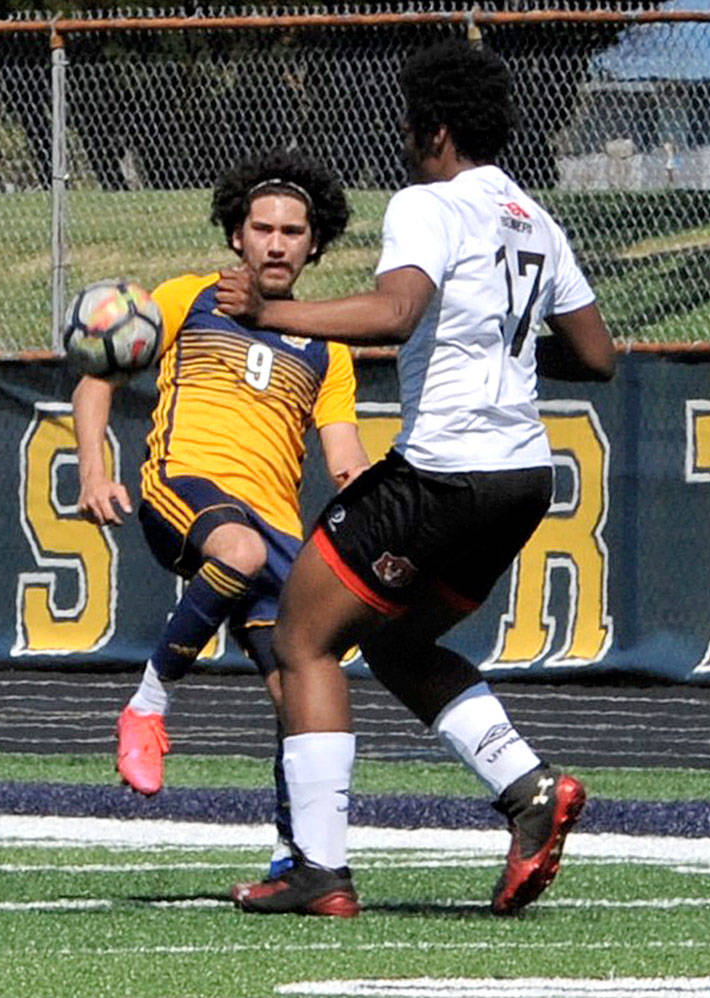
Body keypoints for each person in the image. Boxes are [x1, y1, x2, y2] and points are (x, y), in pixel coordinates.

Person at [217, 42, 616, 917]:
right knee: (396, 645)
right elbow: (597, 355)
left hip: (444, 469)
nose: (402, 138)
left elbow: (396, 312)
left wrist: (271, 312)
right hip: (521, 478)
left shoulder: (428, 202)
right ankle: (527, 789)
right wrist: (500, 346)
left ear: (434, 130)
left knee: (302, 637)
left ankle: (319, 871)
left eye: (408, 124)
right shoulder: (535, 218)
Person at [73, 149, 370, 876]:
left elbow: (346, 458)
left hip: (277, 530)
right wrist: (94, 470)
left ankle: (296, 856)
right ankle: (147, 707)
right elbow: (96, 377)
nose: (276, 243)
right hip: (187, 487)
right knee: (237, 551)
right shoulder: (189, 298)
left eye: (292, 232)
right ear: (237, 235)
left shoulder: (328, 348)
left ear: (315, 245)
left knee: (300, 690)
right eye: (262, 228)